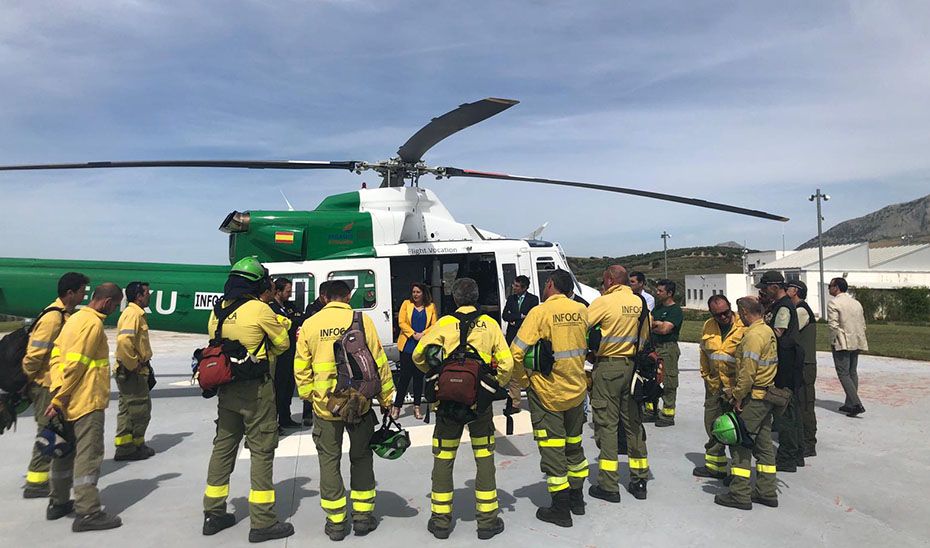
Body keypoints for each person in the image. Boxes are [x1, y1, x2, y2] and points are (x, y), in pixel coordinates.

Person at [412, 278, 513, 541]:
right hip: (478, 404)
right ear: (476, 297)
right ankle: (487, 522)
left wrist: (437, 375)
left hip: (447, 402)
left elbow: (418, 355)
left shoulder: (443, 323)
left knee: (444, 459)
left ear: (455, 299)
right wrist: (491, 387)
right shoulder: (490, 325)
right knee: (484, 457)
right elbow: (507, 364)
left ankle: (441, 521)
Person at [201, 257, 294, 543]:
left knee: (223, 448)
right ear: (258, 284)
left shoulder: (217, 311)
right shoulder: (259, 309)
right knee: (262, 450)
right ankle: (263, 521)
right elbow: (283, 343)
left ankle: (213, 513)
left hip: (226, 389)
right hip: (256, 390)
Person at [294, 280, 394, 541]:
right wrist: (386, 397)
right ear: (348, 296)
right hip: (359, 404)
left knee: (329, 460)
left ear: (323, 297)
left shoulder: (310, 324)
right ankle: (362, 518)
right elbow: (379, 361)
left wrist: (309, 396)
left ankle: (336, 522)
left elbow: (301, 368)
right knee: (361, 457)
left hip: (326, 407)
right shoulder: (361, 320)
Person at [510, 270, 589, 527]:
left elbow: (516, 352)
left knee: (553, 450)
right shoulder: (581, 310)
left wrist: (524, 381)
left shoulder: (540, 312)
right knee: (574, 445)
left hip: (548, 394)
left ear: (551, 284)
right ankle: (577, 499)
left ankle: (560, 508)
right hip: (577, 390)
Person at [45, 283, 123, 531]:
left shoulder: (74, 319)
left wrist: (57, 391)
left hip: (66, 399)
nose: (114, 310)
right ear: (106, 301)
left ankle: (58, 502)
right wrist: (61, 398)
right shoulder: (92, 324)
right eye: (114, 305)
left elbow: (57, 356)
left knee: (62, 453)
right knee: (88, 458)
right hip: (85, 401)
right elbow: (77, 364)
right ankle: (88, 512)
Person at [20, 272, 87, 499]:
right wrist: (28, 380)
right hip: (45, 385)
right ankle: (36, 482)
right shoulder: (53, 318)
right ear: (70, 293)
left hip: (52, 384)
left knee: (53, 430)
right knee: (48, 431)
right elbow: (34, 354)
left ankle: (41, 476)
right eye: (81, 292)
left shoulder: (64, 315)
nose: (83, 296)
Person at [586, 265, 651, 502]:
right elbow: (645, 337)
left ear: (610, 280)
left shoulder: (603, 302)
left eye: (604, 281)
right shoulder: (640, 303)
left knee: (607, 425)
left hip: (607, 368)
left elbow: (581, 328)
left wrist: (591, 352)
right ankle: (640, 479)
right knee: (633, 424)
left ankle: (609, 485)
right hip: (632, 369)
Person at [714, 297, 779, 510]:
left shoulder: (752, 336)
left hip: (753, 398)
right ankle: (766, 490)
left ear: (744, 311)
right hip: (766, 396)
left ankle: (739, 493)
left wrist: (738, 396)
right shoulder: (767, 331)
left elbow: (748, 372)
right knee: (764, 445)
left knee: (740, 443)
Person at [756, 271, 804, 472]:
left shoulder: (784, 307)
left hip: (786, 365)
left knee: (785, 410)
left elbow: (776, 333)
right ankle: (794, 453)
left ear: (775, 286)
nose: (763, 291)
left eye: (765, 287)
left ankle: (788, 456)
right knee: (787, 411)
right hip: (782, 363)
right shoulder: (777, 306)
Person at [692, 294, 745, 479]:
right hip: (714, 385)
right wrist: (706, 376)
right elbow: (704, 353)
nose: (723, 317)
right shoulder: (708, 325)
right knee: (713, 425)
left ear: (730, 307)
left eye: (725, 313)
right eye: (718, 315)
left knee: (736, 429)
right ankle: (715, 466)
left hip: (736, 388)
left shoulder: (743, 325)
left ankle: (738, 474)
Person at [113, 281, 155, 461]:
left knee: (126, 410)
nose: (149, 296)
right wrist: (133, 365)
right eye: (146, 293)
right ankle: (136, 445)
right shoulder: (133, 315)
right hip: (133, 372)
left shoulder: (134, 314)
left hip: (129, 371)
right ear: (139, 296)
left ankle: (124, 446)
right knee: (140, 410)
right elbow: (124, 342)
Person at [392, 282, 437, 420]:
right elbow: (401, 322)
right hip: (407, 345)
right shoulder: (406, 304)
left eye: (418, 292)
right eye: (413, 292)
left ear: (423, 293)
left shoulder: (431, 307)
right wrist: (413, 333)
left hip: (421, 346)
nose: (415, 295)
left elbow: (435, 324)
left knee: (419, 377)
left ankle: (417, 406)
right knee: (404, 378)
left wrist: (423, 333)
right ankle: (397, 407)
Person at [827, 277, 869, 417]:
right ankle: (849, 403)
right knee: (852, 372)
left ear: (837, 287)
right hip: (857, 340)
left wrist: (834, 341)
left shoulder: (834, 303)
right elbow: (862, 323)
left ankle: (856, 403)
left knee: (843, 373)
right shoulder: (856, 303)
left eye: (830, 286)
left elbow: (833, 325)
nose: (829, 289)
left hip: (842, 341)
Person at [269, 277, 304, 430]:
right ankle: (274, 421)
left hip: (291, 352)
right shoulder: (271, 308)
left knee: (289, 386)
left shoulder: (289, 306)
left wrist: (292, 319)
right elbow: (286, 323)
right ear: (278, 291)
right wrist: (292, 320)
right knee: (278, 388)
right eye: (288, 291)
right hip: (279, 354)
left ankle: (285, 417)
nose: (290, 294)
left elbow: (300, 318)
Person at [647, 279, 683, 427]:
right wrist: (656, 324)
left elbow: (664, 330)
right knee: (652, 379)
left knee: (668, 381)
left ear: (670, 293)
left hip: (668, 348)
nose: (657, 292)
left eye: (661, 291)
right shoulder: (657, 309)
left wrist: (656, 324)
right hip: (655, 347)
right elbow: (648, 326)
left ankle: (668, 414)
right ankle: (651, 411)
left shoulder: (675, 310)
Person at [787, 280, 818, 456]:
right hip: (800, 363)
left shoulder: (801, 311)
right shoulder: (798, 309)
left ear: (796, 291)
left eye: (788, 288)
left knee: (805, 404)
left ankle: (808, 442)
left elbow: (789, 330)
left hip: (805, 364)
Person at [501, 275, 538, 411]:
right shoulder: (511, 299)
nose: (514, 288)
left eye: (516, 286)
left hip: (527, 339)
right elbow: (505, 316)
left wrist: (515, 318)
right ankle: (514, 403)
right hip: (512, 339)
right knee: (514, 373)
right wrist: (520, 317)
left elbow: (532, 316)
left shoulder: (533, 299)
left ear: (524, 288)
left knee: (529, 371)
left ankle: (534, 401)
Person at [301, 280, 333, 427]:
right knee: (311, 383)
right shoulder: (312, 309)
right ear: (322, 295)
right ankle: (308, 414)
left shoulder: (332, 309)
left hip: (329, 351)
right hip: (315, 351)